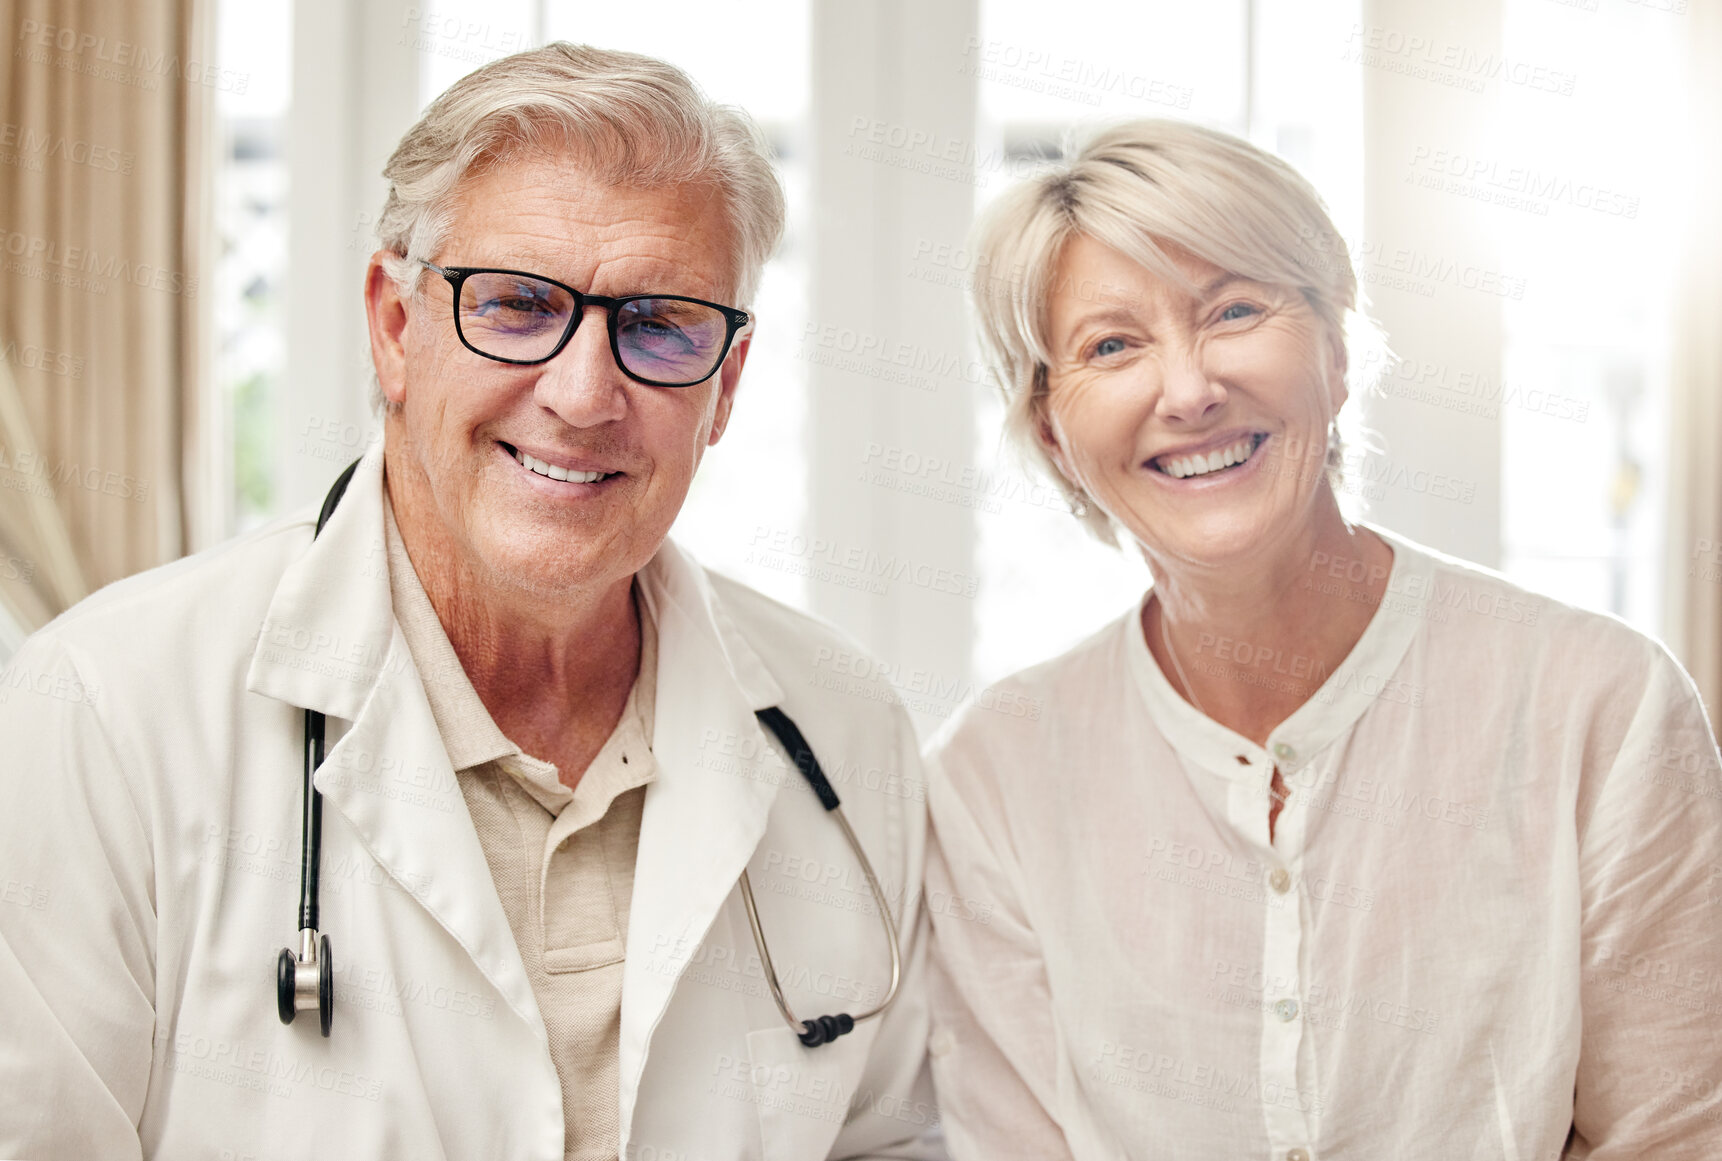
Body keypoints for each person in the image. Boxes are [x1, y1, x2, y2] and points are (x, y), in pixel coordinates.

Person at [0, 44, 941, 1161]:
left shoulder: (842, 730)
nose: (585, 395)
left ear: (724, 386)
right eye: (516, 305)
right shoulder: (104, 712)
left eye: (661, 326)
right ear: (395, 328)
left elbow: (896, 1140)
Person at [922, 118, 1722, 1159]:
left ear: (1338, 354)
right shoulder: (995, 777)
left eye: (1234, 311)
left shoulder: (1599, 704)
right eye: (1111, 346)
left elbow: (1678, 1134)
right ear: (1050, 432)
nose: (1189, 390)